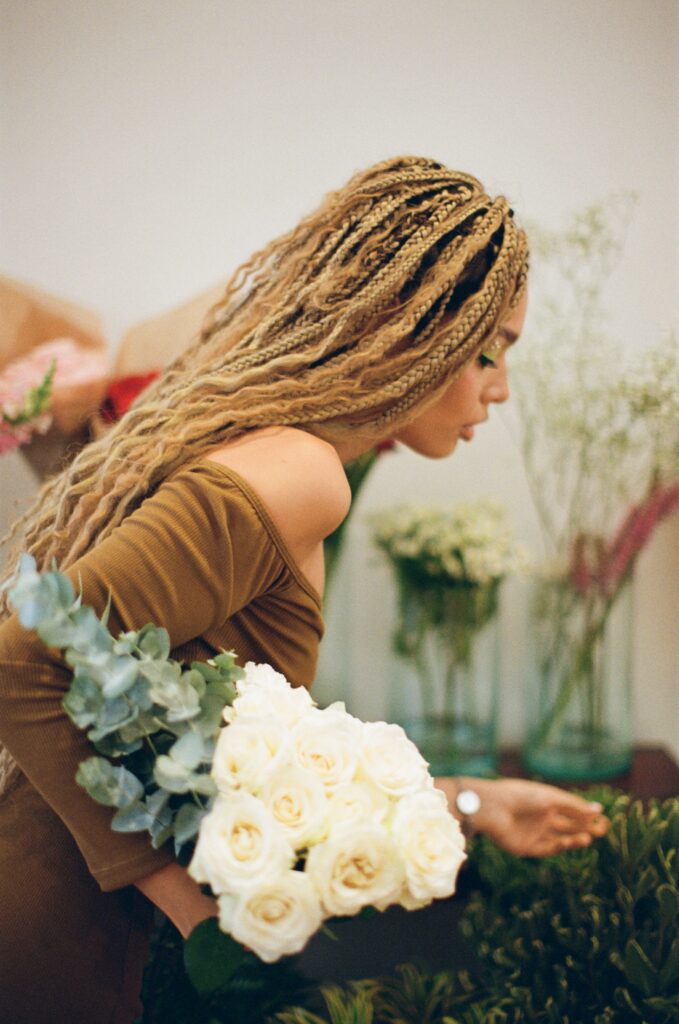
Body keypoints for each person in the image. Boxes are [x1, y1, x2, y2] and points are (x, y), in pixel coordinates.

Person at [0, 156, 608, 1023]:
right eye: (491, 349)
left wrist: (475, 801)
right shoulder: (300, 473)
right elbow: (25, 654)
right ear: (413, 328)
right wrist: (182, 899)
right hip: (55, 943)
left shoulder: (281, 456)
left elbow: (252, 771)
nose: (500, 390)